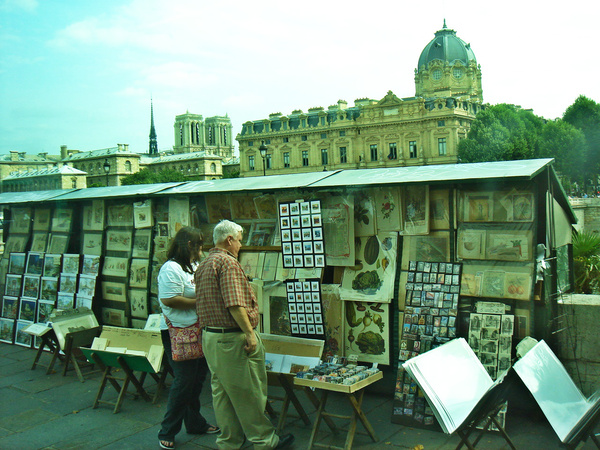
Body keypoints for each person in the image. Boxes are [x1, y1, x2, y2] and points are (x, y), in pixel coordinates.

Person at [195, 220, 294, 450]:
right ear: (229, 240)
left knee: (222, 393)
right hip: (231, 339)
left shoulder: (205, 263)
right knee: (247, 391)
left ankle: (229, 442)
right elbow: (234, 304)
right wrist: (249, 333)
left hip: (211, 337)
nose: (240, 245)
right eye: (239, 240)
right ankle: (265, 442)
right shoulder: (228, 263)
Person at [158, 227, 219, 450]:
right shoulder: (171, 268)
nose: (201, 249)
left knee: (197, 381)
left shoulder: (192, 265)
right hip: (179, 332)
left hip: (197, 329)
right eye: (198, 245)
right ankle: (167, 430)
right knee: (183, 383)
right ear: (188, 246)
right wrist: (200, 302)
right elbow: (169, 299)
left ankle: (195, 423)